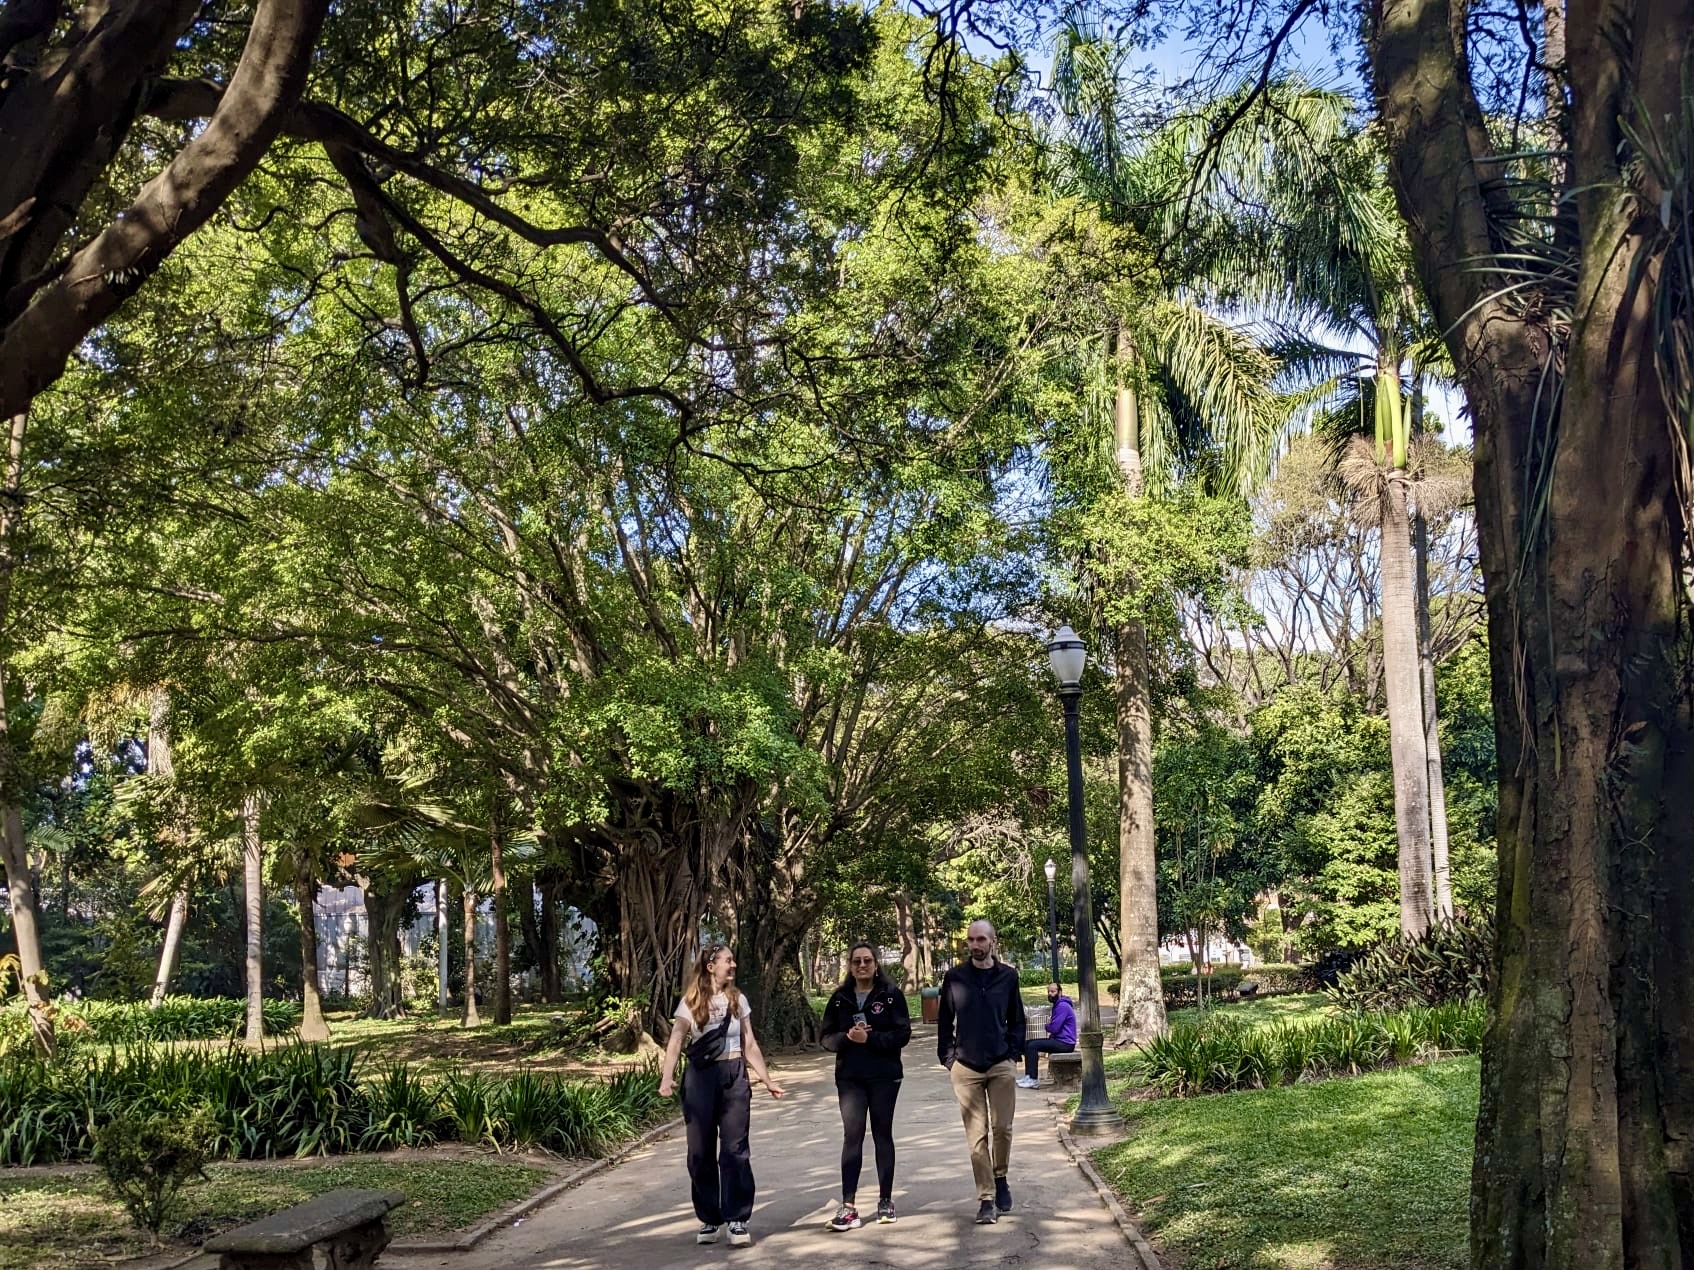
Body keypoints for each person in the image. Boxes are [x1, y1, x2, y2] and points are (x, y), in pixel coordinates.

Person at [659, 944, 786, 1248]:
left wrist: (766, 1080)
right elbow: (676, 1039)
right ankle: (709, 1218)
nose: (733, 965)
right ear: (710, 966)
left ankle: (737, 1218)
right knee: (700, 1152)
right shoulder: (691, 1002)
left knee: (735, 1150)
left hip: (733, 1077)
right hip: (700, 1079)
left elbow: (749, 1043)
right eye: (727, 961)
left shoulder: (738, 1000)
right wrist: (667, 1077)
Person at [936, 918, 1027, 1225]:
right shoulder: (955, 977)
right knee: (977, 1136)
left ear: (993, 941)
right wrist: (949, 1059)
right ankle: (986, 1198)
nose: (975, 945)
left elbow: (1017, 1019)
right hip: (966, 1067)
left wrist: (1013, 1053)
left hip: (1000, 1063)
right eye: (971, 940)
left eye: (981, 940)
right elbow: (944, 1021)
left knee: (1003, 1129)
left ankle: (1001, 1177)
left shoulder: (1008, 977)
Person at [820, 942, 912, 1231]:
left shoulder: (890, 996)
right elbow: (825, 1038)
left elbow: (902, 1034)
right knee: (853, 1137)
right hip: (850, 1079)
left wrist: (870, 1040)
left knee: (883, 1134)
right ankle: (848, 1206)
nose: (862, 965)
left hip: (884, 1077)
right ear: (850, 965)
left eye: (867, 961)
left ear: (876, 964)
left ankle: (885, 1200)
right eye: (857, 961)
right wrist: (847, 1038)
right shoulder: (839, 999)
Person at [1016, 980, 1077, 1088]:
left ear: (1060, 992)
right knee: (1028, 1043)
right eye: (1048, 991)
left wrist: (1046, 1026)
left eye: (1053, 991)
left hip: (1065, 1043)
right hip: (1059, 1040)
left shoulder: (1062, 1006)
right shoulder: (1058, 1005)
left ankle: (1033, 1079)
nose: (1050, 994)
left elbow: (1054, 1028)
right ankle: (1029, 1076)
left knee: (1032, 1045)